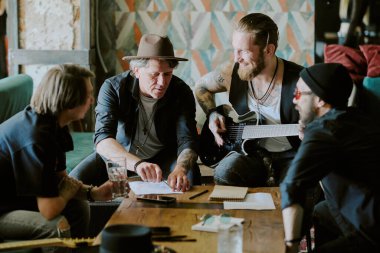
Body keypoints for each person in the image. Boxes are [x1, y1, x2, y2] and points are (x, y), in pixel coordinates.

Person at [0, 65, 113, 249]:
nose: (92, 100)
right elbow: (49, 209)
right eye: (87, 95)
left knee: (79, 205)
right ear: (68, 99)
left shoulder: (54, 124)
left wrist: (93, 193)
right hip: (3, 210)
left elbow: (61, 180)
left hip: (17, 197)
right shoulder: (36, 138)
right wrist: (68, 192)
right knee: (56, 226)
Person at [70, 34, 200, 192]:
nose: (162, 82)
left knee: (190, 178)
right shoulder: (113, 88)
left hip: (164, 157)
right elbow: (103, 140)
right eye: (154, 74)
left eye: (167, 74)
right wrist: (137, 164)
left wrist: (180, 169)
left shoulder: (181, 91)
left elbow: (187, 140)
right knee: (76, 180)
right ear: (136, 71)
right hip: (120, 156)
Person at [194, 13, 303, 187]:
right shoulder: (232, 72)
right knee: (224, 174)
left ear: (269, 50)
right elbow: (201, 87)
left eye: (244, 51)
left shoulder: (301, 81)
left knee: (296, 190)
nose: (237, 58)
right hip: (250, 153)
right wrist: (213, 113)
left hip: (292, 155)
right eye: (234, 49)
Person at [281, 63, 380, 253]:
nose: (294, 101)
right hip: (367, 209)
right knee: (320, 211)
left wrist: (291, 245)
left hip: (370, 232)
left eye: (299, 94)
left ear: (319, 100)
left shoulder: (324, 132)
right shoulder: (356, 118)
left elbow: (292, 186)